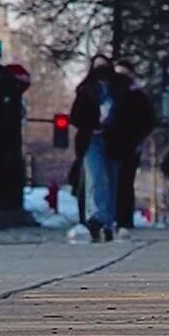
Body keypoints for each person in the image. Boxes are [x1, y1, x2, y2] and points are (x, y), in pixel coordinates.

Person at [69, 55, 126, 242]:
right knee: (96, 177)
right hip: (91, 140)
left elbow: (132, 115)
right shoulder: (86, 91)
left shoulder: (120, 91)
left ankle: (108, 222)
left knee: (111, 181)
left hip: (114, 140)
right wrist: (92, 124)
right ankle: (96, 219)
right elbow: (75, 116)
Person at [111, 60, 157, 233]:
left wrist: (138, 138)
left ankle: (124, 219)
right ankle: (112, 217)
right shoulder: (111, 93)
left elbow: (149, 119)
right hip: (111, 144)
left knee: (125, 183)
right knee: (111, 182)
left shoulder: (136, 96)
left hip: (130, 145)